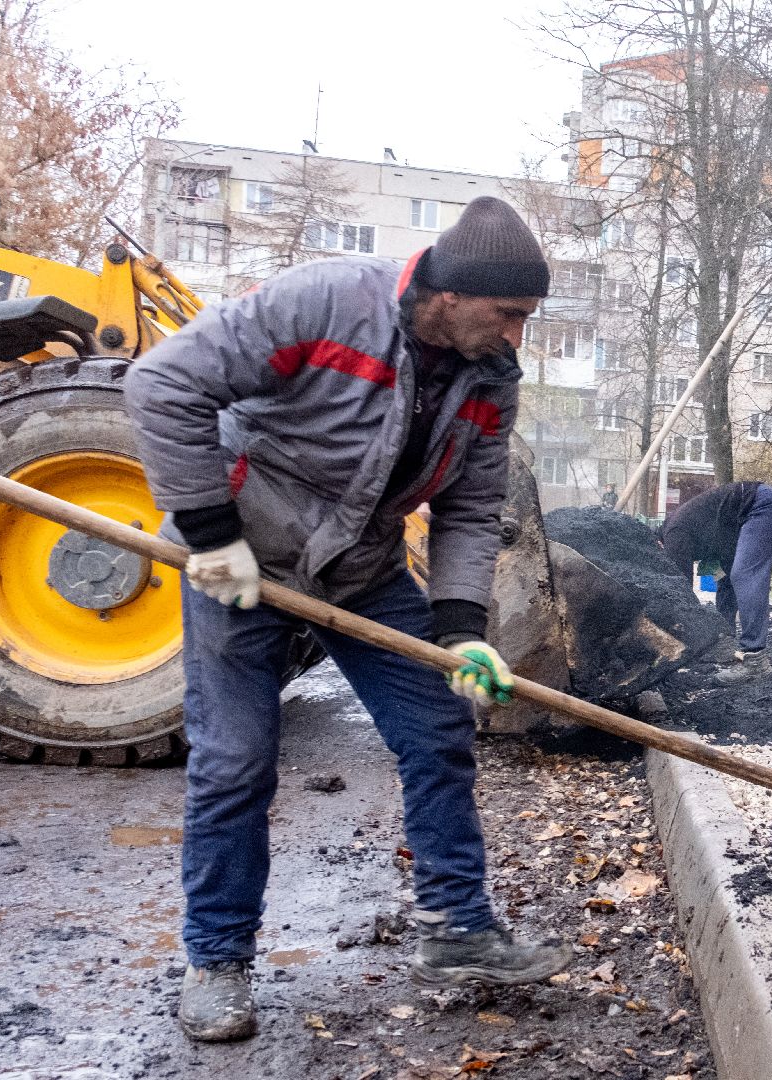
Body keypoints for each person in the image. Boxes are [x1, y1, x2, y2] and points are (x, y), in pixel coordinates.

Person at [124, 196, 571, 1044]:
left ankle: (456, 928)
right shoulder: (326, 302)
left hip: (361, 568)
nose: (518, 336)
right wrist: (213, 536)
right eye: (509, 314)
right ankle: (217, 961)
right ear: (449, 292)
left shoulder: (488, 383)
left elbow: (470, 511)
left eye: (527, 319)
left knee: (438, 723)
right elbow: (162, 383)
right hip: (240, 560)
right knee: (237, 759)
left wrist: (460, 628)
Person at [661, 481, 772, 685]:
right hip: (744, 517)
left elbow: (680, 591)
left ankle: (755, 661)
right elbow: (716, 571)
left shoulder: (673, 533)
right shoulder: (685, 529)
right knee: (726, 577)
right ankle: (725, 642)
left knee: (744, 574)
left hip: (762, 505)